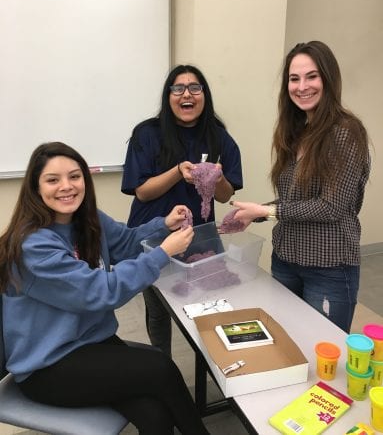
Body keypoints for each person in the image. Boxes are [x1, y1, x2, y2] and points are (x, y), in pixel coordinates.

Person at [0, 142, 210, 435]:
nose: (66, 186)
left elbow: (126, 243)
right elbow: (100, 291)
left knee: (155, 413)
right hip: (48, 366)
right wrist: (162, 253)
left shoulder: (87, 219)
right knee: (160, 368)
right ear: (35, 188)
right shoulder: (33, 246)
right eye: (52, 180)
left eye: (75, 176)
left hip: (90, 344)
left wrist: (164, 224)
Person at [230, 41, 370, 333]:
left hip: (329, 266)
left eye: (312, 76)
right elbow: (294, 199)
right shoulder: (296, 133)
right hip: (285, 261)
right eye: (294, 79)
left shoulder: (345, 132)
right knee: (286, 345)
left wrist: (267, 211)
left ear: (329, 79)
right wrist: (254, 213)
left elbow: (331, 207)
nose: (302, 86)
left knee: (323, 353)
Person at [121, 64, 243, 355]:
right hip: (152, 234)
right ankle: (162, 363)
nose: (186, 94)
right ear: (169, 96)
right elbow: (142, 190)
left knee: (204, 301)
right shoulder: (147, 134)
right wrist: (177, 171)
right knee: (159, 308)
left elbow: (226, 195)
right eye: (178, 88)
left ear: (204, 95)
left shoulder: (219, 137)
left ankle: (212, 362)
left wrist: (218, 177)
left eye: (195, 88)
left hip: (198, 236)